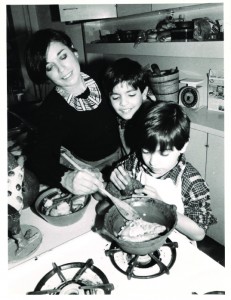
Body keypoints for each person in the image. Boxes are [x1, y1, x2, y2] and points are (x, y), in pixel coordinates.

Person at [98, 101, 217, 241]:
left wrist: (161, 205)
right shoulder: (135, 162)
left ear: (183, 146)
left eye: (164, 154)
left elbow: (199, 234)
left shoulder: (192, 182)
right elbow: (102, 207)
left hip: (176, 244)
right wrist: (114, 184)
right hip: (137, 235)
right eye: (146, 151)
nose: (153, 162)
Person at [24, 28, 122, 196]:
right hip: (88, 175)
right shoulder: (51, 110)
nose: (62, 69)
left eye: (63, 56)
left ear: (74, 51)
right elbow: (39, 159)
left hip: (123, 158)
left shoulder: (103, 76)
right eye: (50, 67)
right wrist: (67, 178)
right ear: (46, 75)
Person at [102, 57, 156, 156]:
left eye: (131, 95)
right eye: (115, 97)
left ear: (144, 93)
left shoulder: (155, 122)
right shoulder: (125, 114)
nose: (123, 103)